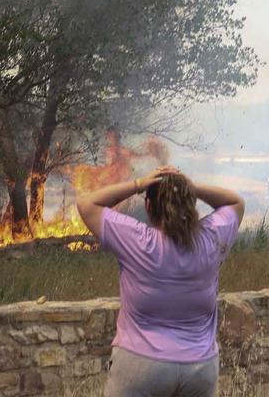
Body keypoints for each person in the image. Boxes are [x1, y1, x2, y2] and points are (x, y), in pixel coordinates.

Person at [76, 166, 245, 397]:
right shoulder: (210, 239)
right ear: (190, 204)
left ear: (148, 206)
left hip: (140, 365)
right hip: (200, 368)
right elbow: (235, 203)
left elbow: (87, 204)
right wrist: (190, 188)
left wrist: (138, 184)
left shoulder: (137, 240)